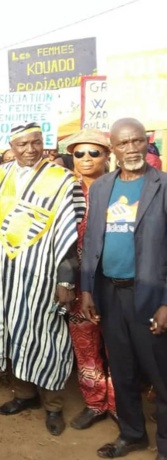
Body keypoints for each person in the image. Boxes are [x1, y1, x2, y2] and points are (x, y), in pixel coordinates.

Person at [0, 122, 85, 436]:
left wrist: (66, 281)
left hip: (43, 274)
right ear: (11, 147)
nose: (29, 150)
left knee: (48, 337)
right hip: (4, 273)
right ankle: (24, 395)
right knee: (12, 332)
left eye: (35, 142)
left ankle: (53, 405)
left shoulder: (63, 180)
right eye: (22, 144)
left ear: (44, 143)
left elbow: (72, 237)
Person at [81, 118, 167, 460]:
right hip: (110, 295)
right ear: (112, 149)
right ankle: (132, 434)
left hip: (149, 296)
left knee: (160, 375)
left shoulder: (162, 185)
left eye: (136, 141)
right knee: (123, 369)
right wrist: (87, 289)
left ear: (146, 143)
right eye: (123, 143)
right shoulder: (101, 188)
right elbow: (91, 240)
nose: (131, 148)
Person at [63, 129, 117, 430]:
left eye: (93, 152)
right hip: (79, 284)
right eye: (79, 153)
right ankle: (95, 403)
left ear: (107, 155)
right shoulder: (65, 191)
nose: (85, 159)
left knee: (119, 350)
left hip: (115, 284)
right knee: (85, 348)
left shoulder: (120, 189)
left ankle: (120, 404)